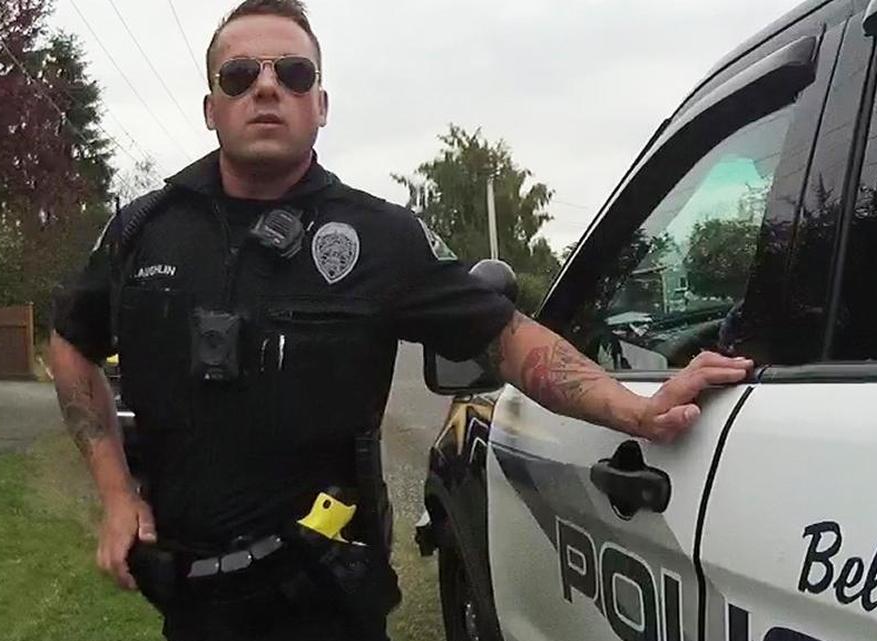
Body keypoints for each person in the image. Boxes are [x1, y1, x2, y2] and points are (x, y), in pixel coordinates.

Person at [49, 1, 754, 639]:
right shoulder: (142, 231)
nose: (267, 87)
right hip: (191, 605)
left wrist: (635, 409)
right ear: (211, 105)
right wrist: (115, 491)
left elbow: (508, 340)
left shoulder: (382, 238)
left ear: (320, 103)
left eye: (293, 73)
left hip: (324, 599)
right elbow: (72, 342)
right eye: (240, 75)